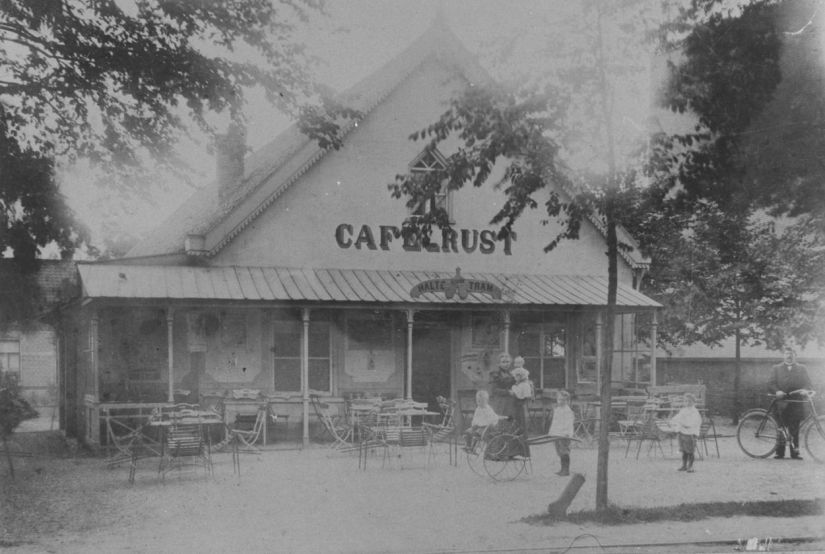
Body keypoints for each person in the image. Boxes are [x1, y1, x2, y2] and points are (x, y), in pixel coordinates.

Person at [767, 346, 813, 460]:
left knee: (794, 428)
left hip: (795, 402)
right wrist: (777, 391)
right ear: (784, 355)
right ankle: (779, 452)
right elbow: (770, 383)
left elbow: (808, 384)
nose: (789, 356)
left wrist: (805, 390)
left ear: (795, 356)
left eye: (791, 354)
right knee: (780, 428)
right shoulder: (776, 368)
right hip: (780, 403)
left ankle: (795, 453)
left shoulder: (802, 368)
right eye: (787, 354)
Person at [669, 393, 702, 473]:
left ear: (694, 402)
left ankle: (690, 466)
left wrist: (686, 424)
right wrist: (672, 421)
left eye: (690, 401)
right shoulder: (683, 410)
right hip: (682, 432)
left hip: (690, 433)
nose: (688, 403)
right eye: (686, 401)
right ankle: (684, 465)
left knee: (690, 451)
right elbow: (677, 418)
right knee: (684, 450)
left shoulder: (695, 412)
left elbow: (694, 422)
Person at [548, 389, 574, 476]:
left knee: (564, 451)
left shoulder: (567, 411)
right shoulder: (557, 409)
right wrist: (551, 432)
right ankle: (562, 468)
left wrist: (567, 433)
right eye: (559, 399)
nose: (561, 401)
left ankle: (566, 470)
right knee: (559, 451)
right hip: (557, 433)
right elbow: (554, 422)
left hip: (564, 434)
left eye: (563, 400)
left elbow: (569, 423)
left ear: (567, 401)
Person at [509, 363, 533, 456]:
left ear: (522, 376)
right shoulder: (517, 384)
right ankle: (515, 450)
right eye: (515, 375)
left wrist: (514, 391)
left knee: (521, 428)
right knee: (515, 428)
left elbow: (522, 396)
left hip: (521, 407)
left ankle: (523, 452)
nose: (516, 377)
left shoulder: (524, 385)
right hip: (516, 407)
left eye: (518, 375)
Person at [489, 352, 515, 418]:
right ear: (499, 364)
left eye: (508, 362)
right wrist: (507, 392)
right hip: (500, 403)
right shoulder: (495, 374)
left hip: (511, 403)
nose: (506, 364)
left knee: (511, 422)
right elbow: (494, 390)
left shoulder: (512, 374)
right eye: (503, 362)